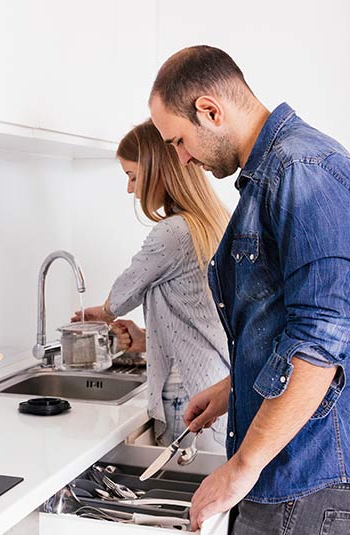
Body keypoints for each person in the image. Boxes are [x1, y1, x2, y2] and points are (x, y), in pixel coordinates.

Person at [148, 45, 350, 533]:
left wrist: (241, 469)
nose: (181, 159)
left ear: (210, 110)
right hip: (298, 465)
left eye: (179, 140)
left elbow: (318, 345)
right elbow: (287, 327)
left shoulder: (302, 170)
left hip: (312, 469)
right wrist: (232, 390)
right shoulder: (273, 176)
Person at [72, 119, 230, 451]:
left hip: (187, 391)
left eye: (132, 176)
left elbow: (122, 295)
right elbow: (197, 315)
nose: (130, 189)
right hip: (215, 382)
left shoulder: (173, 232)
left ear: (157, 169)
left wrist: (97, 315)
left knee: (182, 499)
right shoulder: (210, 222)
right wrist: (146, 340)